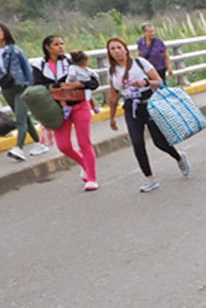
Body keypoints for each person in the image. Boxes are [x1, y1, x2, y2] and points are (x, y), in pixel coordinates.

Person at [105, 36, 190, 193]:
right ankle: (149, 178)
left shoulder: (140, 63)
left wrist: (146, 83)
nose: (116, 52)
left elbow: (159, 82)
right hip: (131, 107)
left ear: (125, 49)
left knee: (159, 141)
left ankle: (179, 157)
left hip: (149, 103)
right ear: (109, 53)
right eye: (112, 49)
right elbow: (113, 96)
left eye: (119, 48)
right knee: (137, 142)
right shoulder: (112, 71)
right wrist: (111, 118)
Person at [36, 34, 97, 190]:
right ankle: (84, 163)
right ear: (47, 47)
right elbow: (36, 87)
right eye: (56, 44)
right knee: (63, 146)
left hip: (79, 105)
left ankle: (92, 177)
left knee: (84, 142)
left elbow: (93, 82)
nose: (61, 47)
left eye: (62, 43)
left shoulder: (73, 62)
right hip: (58, 109)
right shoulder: (39, 66)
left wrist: (78, 84)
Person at [0, 21, 49, 162]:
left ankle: (19, 148)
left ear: (5, 32)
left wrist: (31, 86)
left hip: (21, 87)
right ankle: (39, 144)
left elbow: (27, 68)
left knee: (20, 119)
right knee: (24, 118)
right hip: (6, 88)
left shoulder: (15, 50)